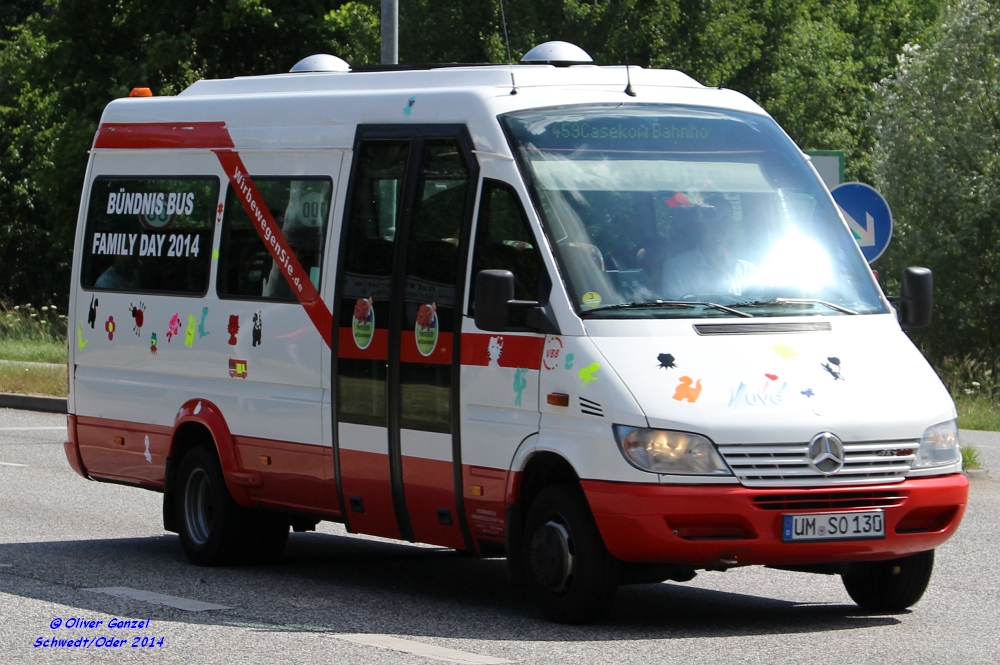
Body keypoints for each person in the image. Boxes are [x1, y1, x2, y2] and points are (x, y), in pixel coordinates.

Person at [660, 199, 756, 299]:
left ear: (731, 225)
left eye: (725, 220)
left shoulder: (748, 270)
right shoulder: (676, 268)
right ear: (700, 225)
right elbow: (676, 310)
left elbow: (761, 306)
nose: (720, 226)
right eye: (713, 220)